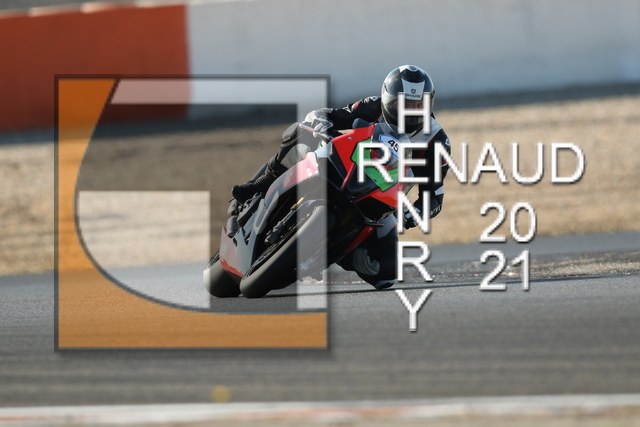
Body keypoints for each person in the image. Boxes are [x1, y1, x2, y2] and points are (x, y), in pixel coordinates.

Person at [231, 65, 451, 289]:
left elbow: (434, 197)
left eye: (418, 105)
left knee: (385, 274)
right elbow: (333, 115)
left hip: (381, 200)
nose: (411, 112)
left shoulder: (437, 141)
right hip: (347, 167)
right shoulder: (372, 106)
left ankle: (339, 252)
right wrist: (320, 120)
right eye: (403, 104)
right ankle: (257, 186)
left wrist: (414, 214)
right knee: (302, 133)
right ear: (388, 100)